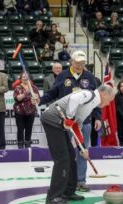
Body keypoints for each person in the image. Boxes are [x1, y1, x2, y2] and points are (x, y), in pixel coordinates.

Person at [40, 85, 115, 204]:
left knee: (70, 157)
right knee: (62, 160)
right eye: (109, 100)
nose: (108, 104)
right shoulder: (89, 95)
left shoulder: (91, 105)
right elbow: (74, 100)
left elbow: (76, 125)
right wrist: (69, 118)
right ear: (104, 94)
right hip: (52, 120)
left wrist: (82, 148)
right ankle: (53, 197)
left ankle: (67, 192)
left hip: (61, 125)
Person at [40, 50, 102, 193]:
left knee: (82, 150)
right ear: (71, 62)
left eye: (82, 63)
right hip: (66, 122)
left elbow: (95, 99)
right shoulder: (62, 76)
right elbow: (53, 93)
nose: (80, 65)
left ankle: (81, 180)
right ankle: (67, 181)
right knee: (67, 153)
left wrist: (98, 117)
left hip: (84, 120)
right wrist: (41, 100)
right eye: (77, 62)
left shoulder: (90, 77)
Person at [13, 72, 39, 148]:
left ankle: (28, 145)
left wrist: (36, 99)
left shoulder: (34, 87)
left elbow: (38, 99)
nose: (25, 78)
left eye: (26, 76)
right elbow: (17, 98)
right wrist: (25, 93)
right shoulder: (18, 87)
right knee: (20, 129)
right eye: (23, 77)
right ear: (21, 79)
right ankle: (20, 145)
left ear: (29, 78)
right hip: (20, 111)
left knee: (29, 129)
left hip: (31, 111)